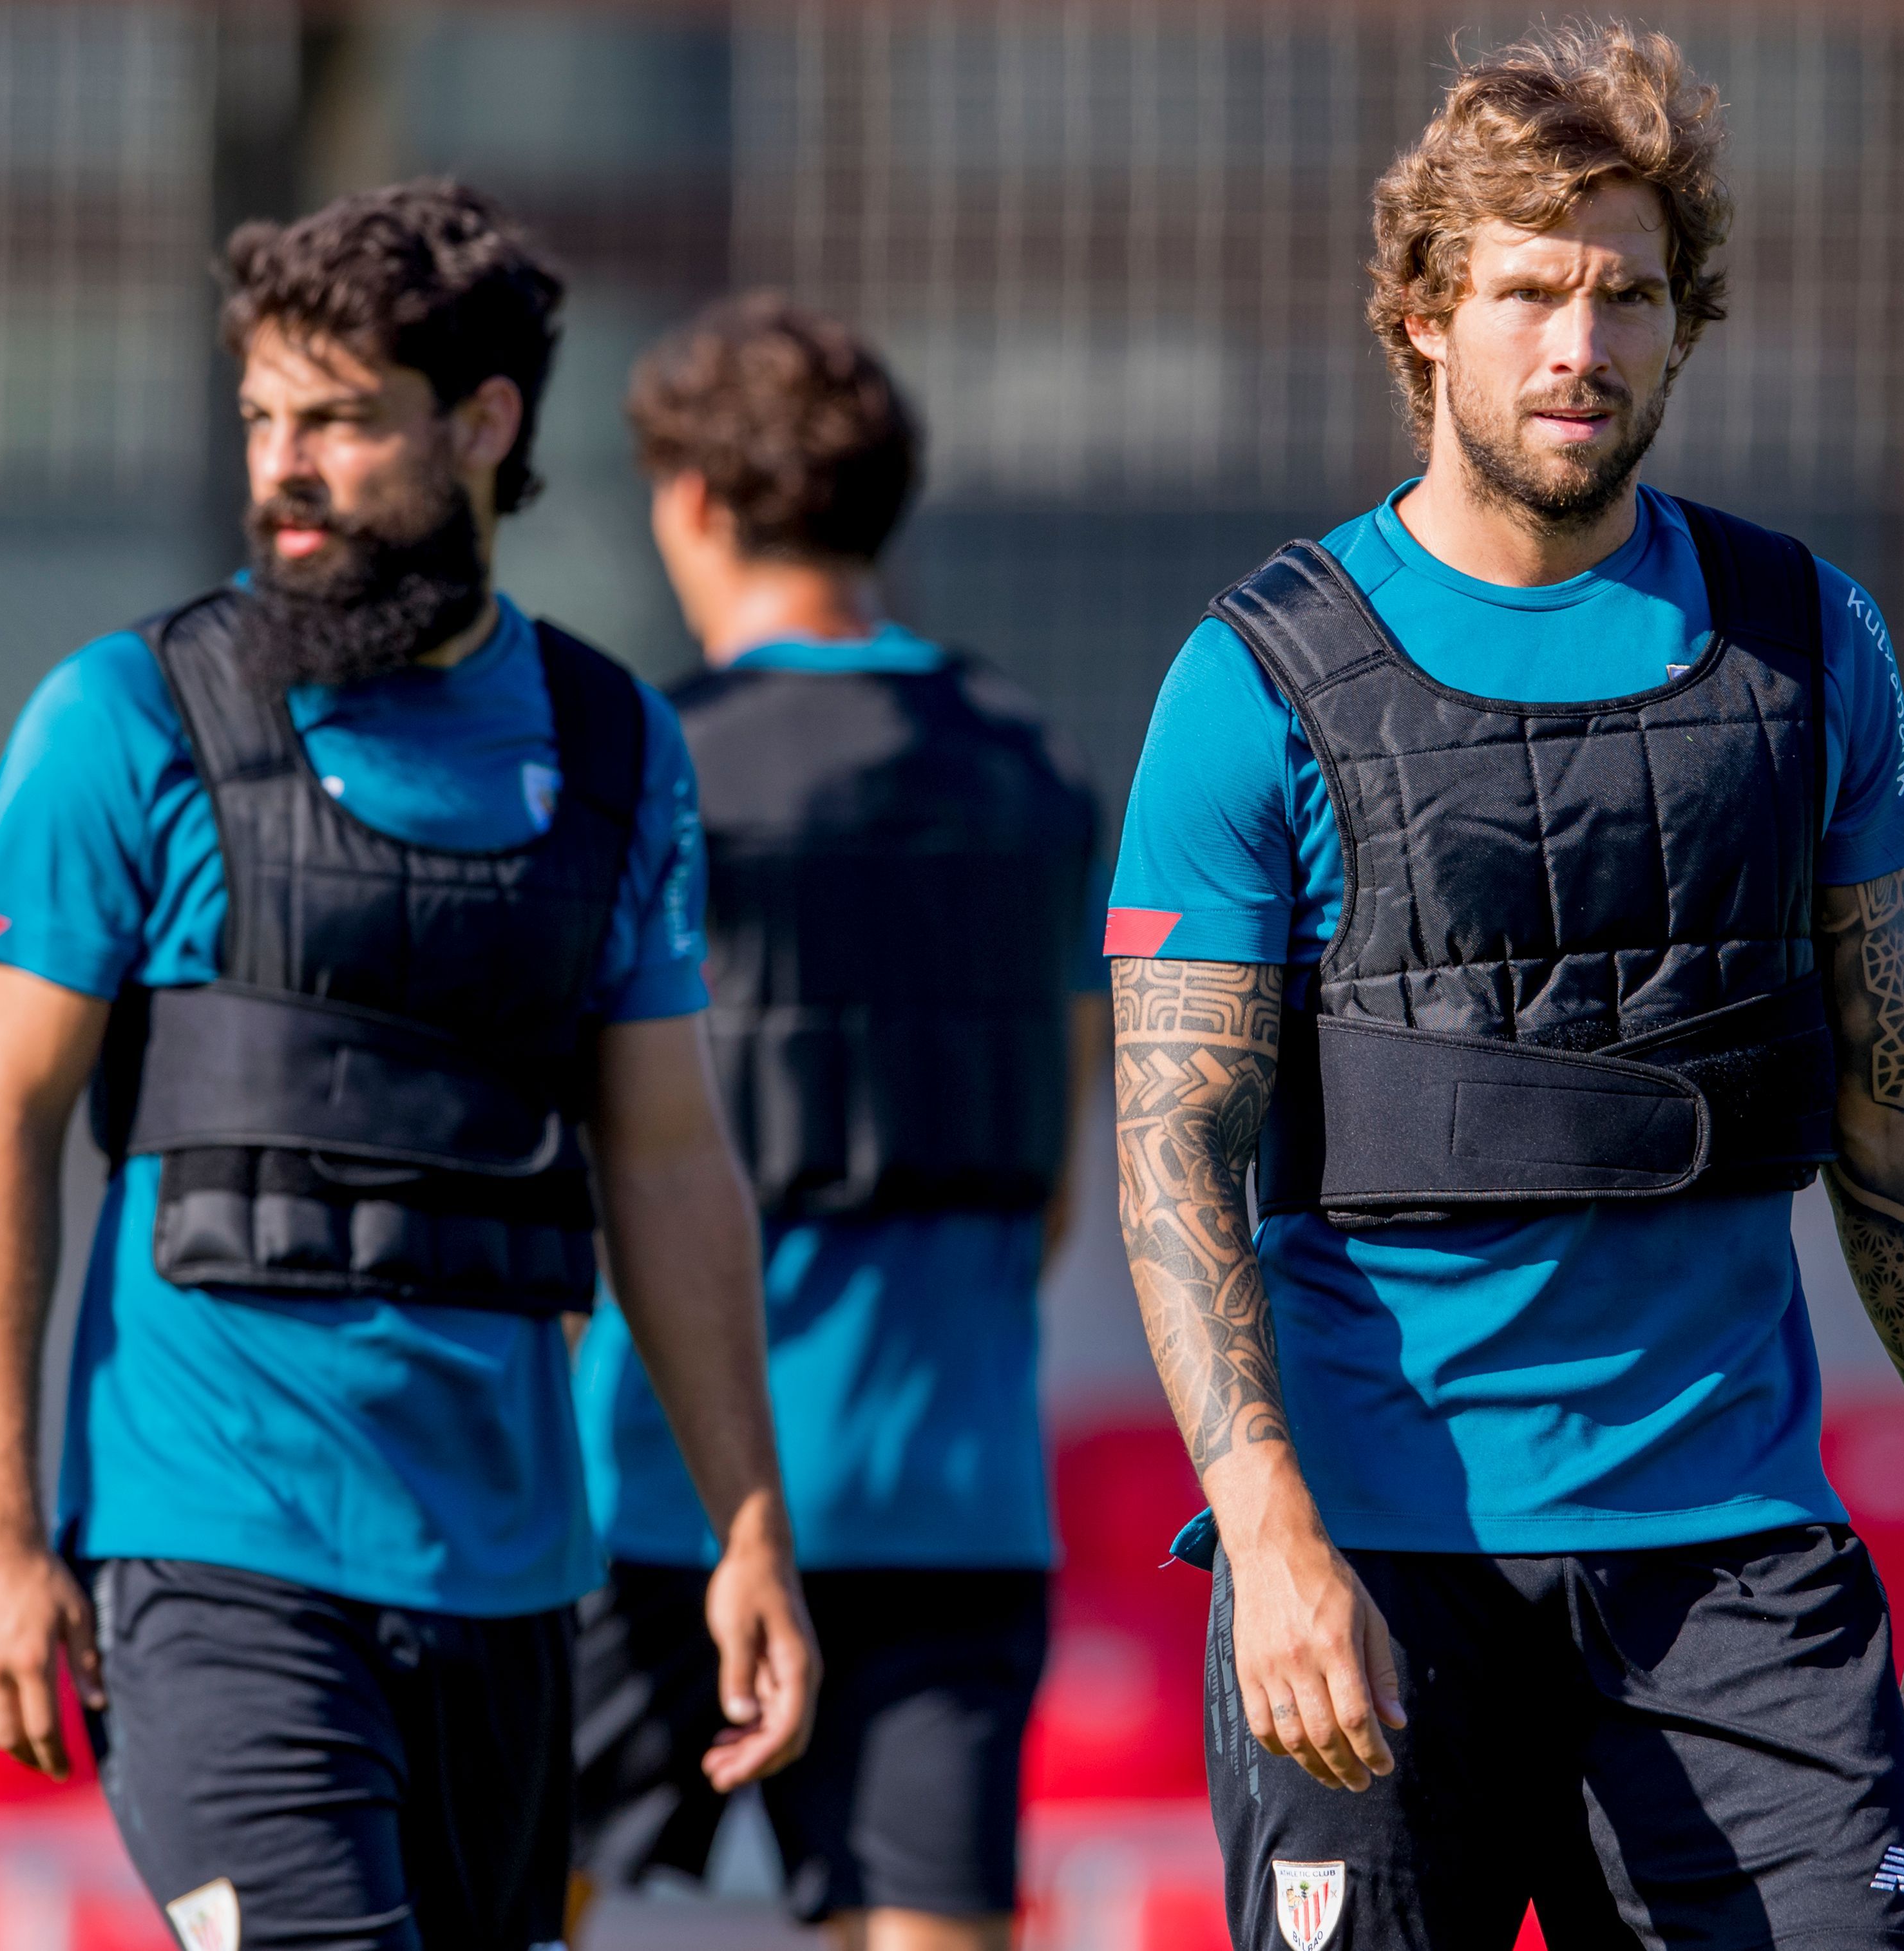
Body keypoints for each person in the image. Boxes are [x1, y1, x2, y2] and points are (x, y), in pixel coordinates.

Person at [1106, 25, 1904, 1950]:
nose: (1581, 344)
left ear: (1683, 325)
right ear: (1423, 314)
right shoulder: (1253, 679)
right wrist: (1269, 1531)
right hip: (1376, 1567)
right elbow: (1174, 1142)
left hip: (1731, 1564)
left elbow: (1890, 1093)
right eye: (1530, 289)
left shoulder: (1806, 638)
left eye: (1627, 294)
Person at [0, 180, 817, 1951]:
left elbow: (662, 1158)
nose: (284, 467)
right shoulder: (124, 718)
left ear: (482, 424)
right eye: (263, 417)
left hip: (509, 1577)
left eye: (337, 418)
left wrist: (746, 1522)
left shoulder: (621, 748)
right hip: (217, 1549)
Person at [567, 296, 1104, 1951]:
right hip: (948, 1488)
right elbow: (1062, 1169)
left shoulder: (648, 765)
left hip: (656, 1492)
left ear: (693, 506)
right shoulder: (1034, 767)